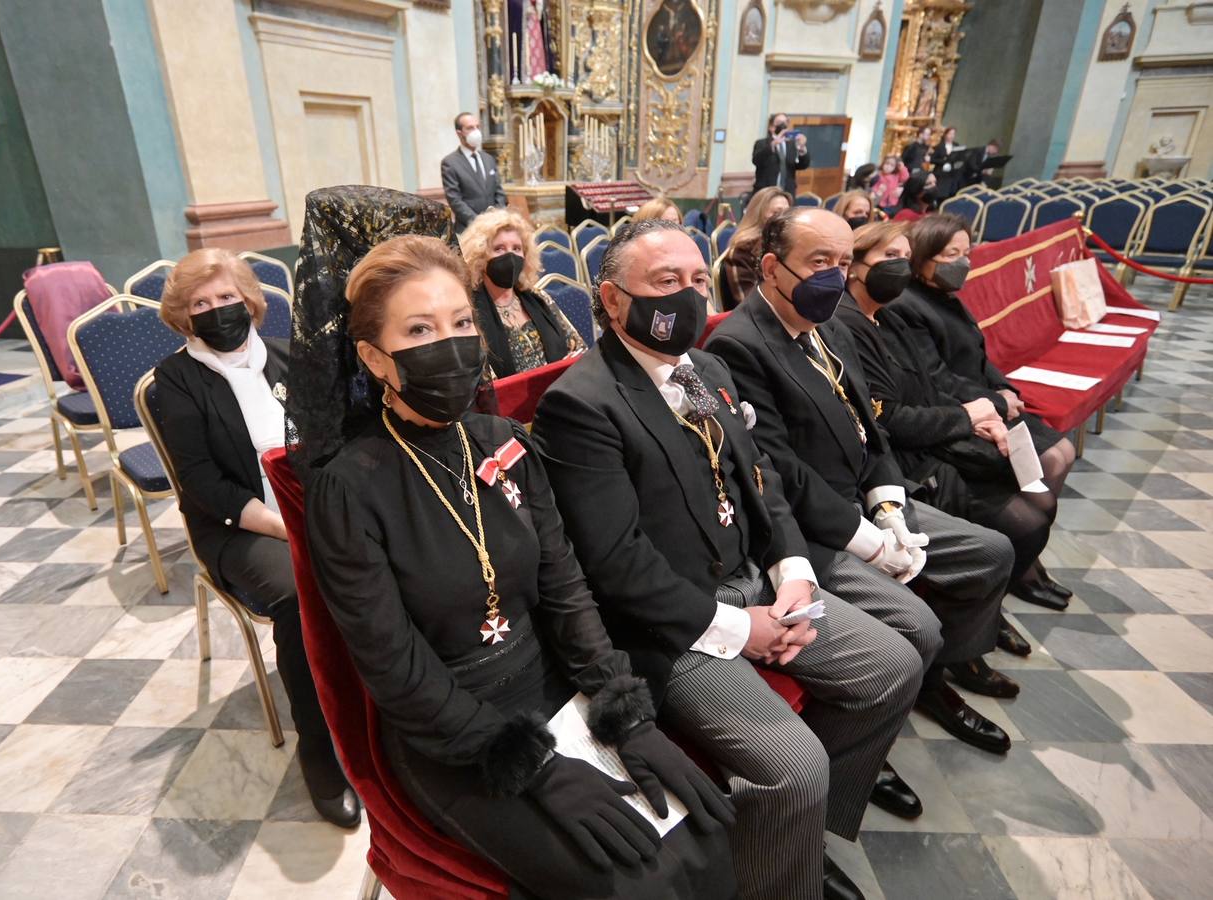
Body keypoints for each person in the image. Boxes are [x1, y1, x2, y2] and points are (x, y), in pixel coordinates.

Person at [304, 234, 736, 899]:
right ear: (375, 358)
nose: (448, 344)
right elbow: (394, 670)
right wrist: (536, 767)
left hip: (551, 684)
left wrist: (624, 709)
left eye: (458, 323)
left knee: (707, 837)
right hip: (454, 731)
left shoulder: (503, 442)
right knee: (633, 886)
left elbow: (566, 591)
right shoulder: (350, 487)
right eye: (419, 330)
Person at [532, 218, 927, 900]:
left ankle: (795, 837)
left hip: (759, 585)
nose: (686, 296)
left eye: (694, 280)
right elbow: (616, 564)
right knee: (796, 766)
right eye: (664, 283)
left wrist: (795, 576)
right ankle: (778, 869)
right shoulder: (581, 405)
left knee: (896, 665)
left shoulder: (706, 368)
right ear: (614, 298)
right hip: (676, 627)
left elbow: (763, 482)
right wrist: (745, 630)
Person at [704, 207, 1018, 756]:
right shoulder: (741, 344)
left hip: (869, 498)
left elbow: (870, 429)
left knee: (991, 550)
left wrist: (890, 506)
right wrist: (870, 541)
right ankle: (871, 738)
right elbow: (779, 471)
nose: (834, 275)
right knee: (917, 626)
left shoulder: (830, 326)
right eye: (819, 261)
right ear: (773, 268)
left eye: (843, 262)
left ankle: (943, 670)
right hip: (819, 523)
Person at [153, 248, 360, 829]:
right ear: (182, 317)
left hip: (314, 508)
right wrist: (287, 527)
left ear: (249, 301)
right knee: (302, 591)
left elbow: (334, 440)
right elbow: (201, 485)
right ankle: (320, 751)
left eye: (226, 298)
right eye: (200, 303)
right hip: (239, 526)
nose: (216, 310)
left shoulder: (291, 358)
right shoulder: (177, 382)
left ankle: (383, 709)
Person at [835, 221, 1037, 655]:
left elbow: (930, 380)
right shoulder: (844, 323)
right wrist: (968, 417)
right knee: (1011, 524)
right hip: (908, 460)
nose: (901, 269)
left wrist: (982, 411)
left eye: (905, 258)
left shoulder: (886, 316)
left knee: (1027, 490)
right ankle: (967, 639)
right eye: (890, 258)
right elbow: (885, 420)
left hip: (924, 443)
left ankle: (984, 615)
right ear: (852, 266)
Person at [887, 214, 1076, 609]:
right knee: (1047, 468)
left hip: (984, 399)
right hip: (958, 408)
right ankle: (1019, 565)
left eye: (966, 253)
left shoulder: (946, 297)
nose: (963, 262)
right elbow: (937, 378)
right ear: (921, 258)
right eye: (950, 253)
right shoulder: (907, 306)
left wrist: (1003, 387)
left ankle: (1026, 562)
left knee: (1061, 455)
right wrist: (993, 404)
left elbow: (977, 354)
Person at [458, 208, 585, 378]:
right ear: (480, 257)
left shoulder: (539, 298)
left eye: (517, 248)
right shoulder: (469, 312)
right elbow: (478, 377)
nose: (510, 256)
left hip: (557, 395)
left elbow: (578, 348)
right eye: (499, 249)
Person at [719, 187, 792, 311]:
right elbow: (749, 305)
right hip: (755, 323)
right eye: (776, 212)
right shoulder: (742, 250)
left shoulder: (786, 245)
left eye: (787, 212)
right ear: (758, 214)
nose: (784, 218)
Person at [442, 112, 507, 231]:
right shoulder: (450, 163)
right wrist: (478, 223)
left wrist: (498, 217)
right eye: (470, 128)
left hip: (495, 227)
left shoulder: (488, 159)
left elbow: (499, 192)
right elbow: (455, 200)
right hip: (469, 229)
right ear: (459, 133)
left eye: (477, 127)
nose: (476, 131)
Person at [751, 112, 809, 196]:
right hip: (765, 192)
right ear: (771, 127)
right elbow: (756, 161)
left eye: (785, 122)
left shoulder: (792, 145)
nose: (783, 125)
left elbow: (802, 166)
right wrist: (772, 145)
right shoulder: (762, 143)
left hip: (787, 191)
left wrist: (802, 148)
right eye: (779, 122)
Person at [929, 127, 963, 199]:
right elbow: (932, 160)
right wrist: (944, 161)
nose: (952, 136)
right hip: (941, 172)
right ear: (945, 135)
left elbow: (959, 158)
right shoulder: (940, 146)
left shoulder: (956, 145)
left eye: (953, 134)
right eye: (950, 134)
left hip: (952, 172)